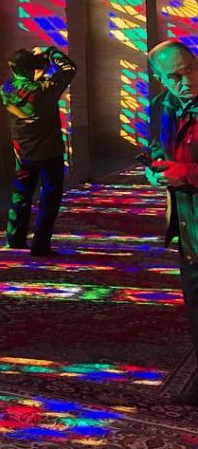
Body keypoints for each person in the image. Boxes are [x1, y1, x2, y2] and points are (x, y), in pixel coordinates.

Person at [146, 39, 198, 406]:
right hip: (188, 224)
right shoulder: (162, 105)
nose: (186, 81)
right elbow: (154, 148)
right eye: (174, 76)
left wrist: (189, 174)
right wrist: (156, 171)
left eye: (190, 68)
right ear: (160, 79)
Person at [0, 45, 77, 256]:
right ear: (33, 69)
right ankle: (41, 244)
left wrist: (37, 70)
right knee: (50, 198)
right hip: (49, 154)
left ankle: (14, 238)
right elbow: (69, 68)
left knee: (21, 196)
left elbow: (26, 83)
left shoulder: (5, 88)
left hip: (22, 154)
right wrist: (50, 51)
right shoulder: (45, 89)